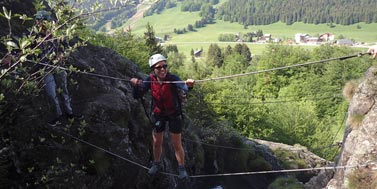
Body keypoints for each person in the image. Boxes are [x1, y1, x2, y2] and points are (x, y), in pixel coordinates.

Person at [130, 54, 195, 179]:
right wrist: (135, 86)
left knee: (176, 143)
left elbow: (184, 86)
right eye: (158, 67)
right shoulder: (149, 80)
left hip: (174, 114)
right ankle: (156, 164)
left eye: (164, 66)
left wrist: (189, 85)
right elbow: (137, 95)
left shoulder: (173, 78)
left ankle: (181, 168)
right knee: (156, 142)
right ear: (153, 69)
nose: (162, 69)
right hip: (158, 114)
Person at [35, 10, 81, 126]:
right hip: (45, 68)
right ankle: (58, 115)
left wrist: (61, 54)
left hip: (58, 66)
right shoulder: (34, 35)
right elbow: (27, 50)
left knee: (63, 90)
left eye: (40, 20)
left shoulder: (57, 33)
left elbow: (65, 46)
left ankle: (69, 112)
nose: (38, 23)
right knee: (52, 93)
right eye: (38, 20)